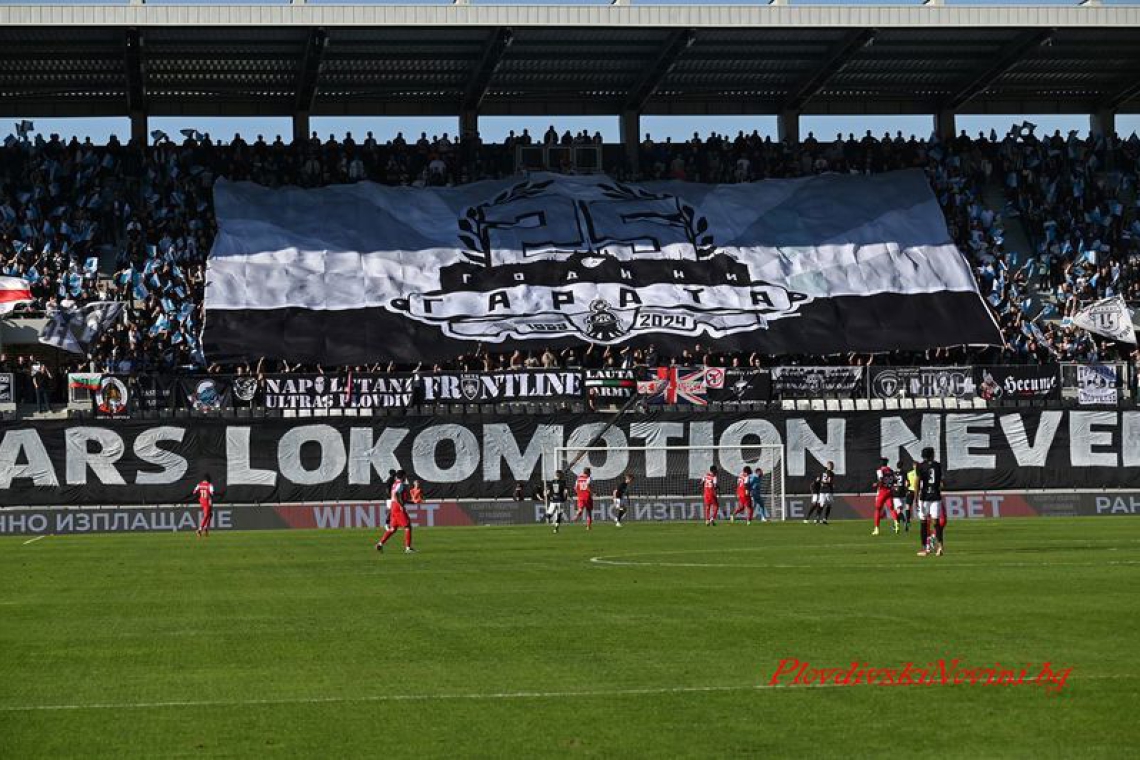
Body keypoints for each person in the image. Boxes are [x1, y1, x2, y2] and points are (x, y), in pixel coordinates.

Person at [376, 469, 416, 554]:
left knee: (393, 529)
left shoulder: (395, 484)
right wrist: (401, 505)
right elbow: (397, 495)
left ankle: (380, 544)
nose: (405, 477)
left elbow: (397, 496)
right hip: (397, 507)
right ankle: (408, 548)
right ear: (403, 476)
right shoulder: (400, 484)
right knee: (407, 527)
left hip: (393, 506)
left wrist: (411, 502)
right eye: (405, 476)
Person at [915, 448, 945, 557]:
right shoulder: (938, 465)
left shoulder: (920, 466)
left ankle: (925, 549)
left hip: (924, 497)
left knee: (923, 523)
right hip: (936, 496)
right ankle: (940, 547)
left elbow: (917, 482)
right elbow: (941, 483)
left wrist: (915, 497)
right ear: (932, 455)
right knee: (936, 523)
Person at [871, 457, 899, 536]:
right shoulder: (891, 470)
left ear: (881, 463)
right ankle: (896, 523)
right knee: (891, 508)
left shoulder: (880, 470)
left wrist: (876, 484)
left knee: (877, 509)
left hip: (882, 491)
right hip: (889, 491)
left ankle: (876, 529)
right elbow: (895, 480)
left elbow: (881, 479)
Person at [546, 469, 568, 533]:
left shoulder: (552, 482)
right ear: (560, 475)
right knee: (559, 515)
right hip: (560, 500)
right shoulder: (563, 482)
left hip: (553, 500)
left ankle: (550, 519)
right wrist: (565, 498)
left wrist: (549, 497)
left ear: (556, 474)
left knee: (549, 514)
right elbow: (566, 491)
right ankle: (556, 529)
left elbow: (547, 492)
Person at [193, 474, 214, 538]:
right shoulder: (209, 485)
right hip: (207, 501)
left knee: (210, 514)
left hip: (201, 500)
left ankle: (206, 529)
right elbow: (212, 493)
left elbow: (194, 492)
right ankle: (200, 529)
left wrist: (199, 496)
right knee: (206, 515)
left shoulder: (199, 484)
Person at [892, 460, 911, 532]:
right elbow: (907, 483)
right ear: (902, 466)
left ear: (897, 466)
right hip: (903, 493)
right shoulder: (904, 473)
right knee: (899, 510)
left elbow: (892, 482)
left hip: (896, 494)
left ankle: (904, 521)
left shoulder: (894, 473)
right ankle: (896, 525)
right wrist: (907, 488)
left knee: (898, 511)